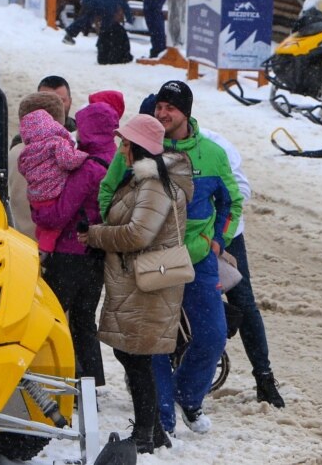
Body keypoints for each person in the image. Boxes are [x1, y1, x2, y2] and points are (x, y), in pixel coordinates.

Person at [84, 114, 193, 455]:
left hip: (147, 284)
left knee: (136, 356)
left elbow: (138, 234)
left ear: (138, 148)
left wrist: (94, 236)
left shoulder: (154, 186)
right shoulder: (143, 181)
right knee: (131, 354)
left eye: (125, 144)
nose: (120, 150)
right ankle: (154, 429)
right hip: (136, 283)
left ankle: (146, 432)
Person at [147, 80, 240, 435]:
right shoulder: (143, 148)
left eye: (170, 107)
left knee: (213, 336)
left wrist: (218, 241)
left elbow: (231, 201)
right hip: (155, 259)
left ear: (186, 112)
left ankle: (187, 396)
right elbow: (111, 191)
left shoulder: (212, 154)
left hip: (198, 259)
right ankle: (163, 417)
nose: (162, 113)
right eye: (159, 105)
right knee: (157, 340)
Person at [199, 124, 285, 408]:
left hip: (223, 235)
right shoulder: (152, 141)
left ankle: (264, 377)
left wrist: (211, 221)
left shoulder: (216, 146)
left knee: (243, 300)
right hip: (179, 233)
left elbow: (240, 192)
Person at [28, 101, 109, 390]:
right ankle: (90, 384)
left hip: (70, 252)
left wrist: (37, 211)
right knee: (85, 318)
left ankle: (57, 377)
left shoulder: (88, 167)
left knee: (53, 315)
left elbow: (60, 212)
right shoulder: (117, 160)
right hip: (97, 254)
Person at [17, 92, 88, 211]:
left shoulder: (19, 153)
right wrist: (86, 155)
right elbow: (70, 161)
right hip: (55, 206)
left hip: (33, 203)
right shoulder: (61, 144)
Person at [62, 0, 132, 61]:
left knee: (86, 18)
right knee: (107, 26)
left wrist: (84, 3)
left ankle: (69, 34)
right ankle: (102, 44)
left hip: (94, 2)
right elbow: (125, 6)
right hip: (109, 8)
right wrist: (130, 18)